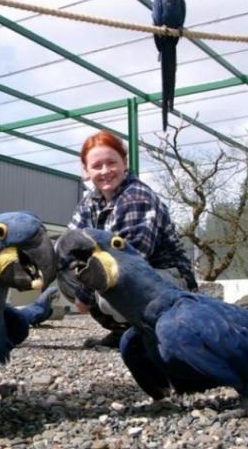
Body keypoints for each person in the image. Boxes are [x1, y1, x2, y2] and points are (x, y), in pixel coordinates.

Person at [67, 129, 197, 348]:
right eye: (97, 166)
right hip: (126, 274)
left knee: (109, 286)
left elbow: (128, 262)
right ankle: (126, 331)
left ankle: (156, 332)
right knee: (68, 276)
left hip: (166, 279)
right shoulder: (89, 203)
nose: (105, 171)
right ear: (86, 171)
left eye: (112, 162)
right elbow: (71, 244)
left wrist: (84, 294)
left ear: (124, 162)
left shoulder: (137, 197)